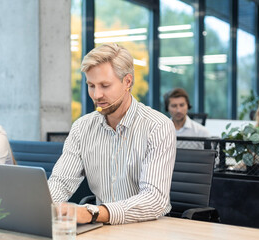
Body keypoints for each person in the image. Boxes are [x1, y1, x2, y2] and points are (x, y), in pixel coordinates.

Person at [48, 43, 176, 225]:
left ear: (128, 82)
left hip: (149, 227)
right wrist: (41, 206)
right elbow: (61, 182)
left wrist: (94, 213)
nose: (96, 95)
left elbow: (153, 199)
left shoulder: (157, 126)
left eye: (105, 85)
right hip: (102, 227)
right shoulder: (82, 128)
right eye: (91, 85)